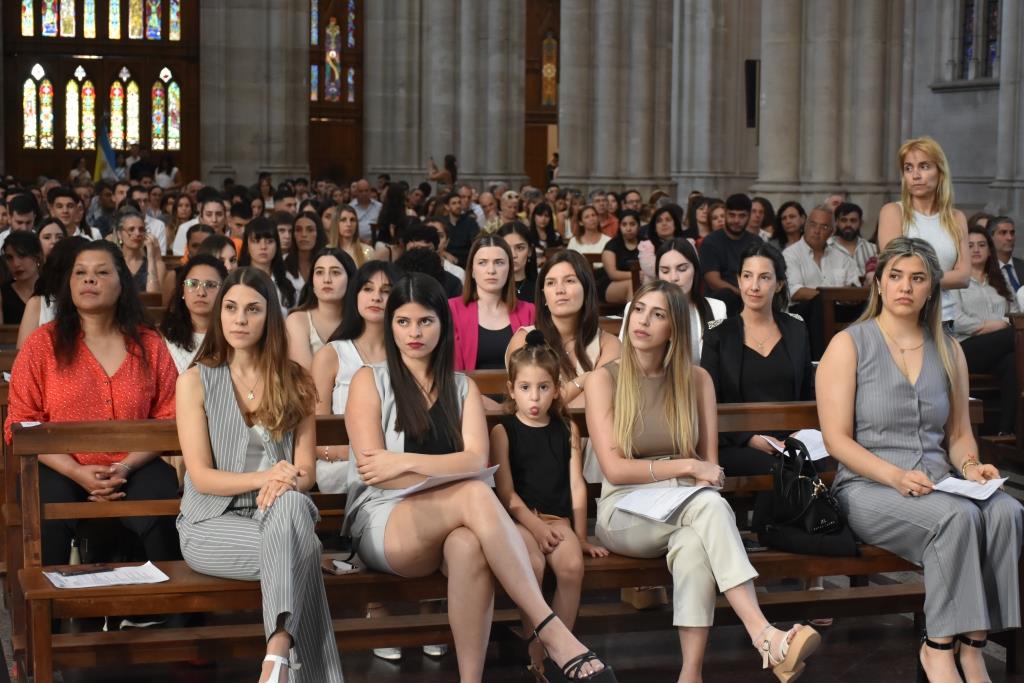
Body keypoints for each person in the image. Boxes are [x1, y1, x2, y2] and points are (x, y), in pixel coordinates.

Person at [343, 272, 617, 682]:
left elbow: (476, 459)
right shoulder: (370, 380)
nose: (414, 332)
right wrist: (444, 469)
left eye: (425, 321)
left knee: (470, 545)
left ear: (443, 324)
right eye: (403, 321)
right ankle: (552, 631)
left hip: (452, 525)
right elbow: (378, 475)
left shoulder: (461, 388)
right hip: (387, 522)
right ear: (390, 325)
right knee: (472, 493)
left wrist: (404, 462)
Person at [585, 280, 820, 683]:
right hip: (623, 509)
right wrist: (685, 468)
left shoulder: (696, 380)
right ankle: (763, 635)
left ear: (674, 328)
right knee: (709, 507)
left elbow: (710, 466)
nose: (643, 320)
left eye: (657, 314)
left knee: (694, 543)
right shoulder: (603, 380)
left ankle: (690, 674)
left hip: (686, 503)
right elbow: (615, 469)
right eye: (639, 309)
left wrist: (695, 474)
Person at [817, 237, 1023, 683]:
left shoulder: (949, 349)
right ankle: (938, 648)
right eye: (895, 276)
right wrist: (893, 476)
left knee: (1007, 511)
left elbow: (959, 434)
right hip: (867, 486)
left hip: (938, 482)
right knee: (957, 519)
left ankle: (973, 646)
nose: (904, 287)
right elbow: (836, 439)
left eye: (917, 278)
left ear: (932, 289)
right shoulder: (848, 344)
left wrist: (971, 467)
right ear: (879, 283)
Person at [175, 267, 344, 683]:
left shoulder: (296, 380)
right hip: (211, 524)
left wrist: (284, 482)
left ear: (269, 317)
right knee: (300, 549)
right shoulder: (196, 381)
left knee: (289, 508)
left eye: (252, 309)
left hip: (280, 517)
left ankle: (277, 656)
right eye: (230, 308)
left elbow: (305, 472)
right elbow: (201, 477)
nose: (239, 319)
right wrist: (267, 477)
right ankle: (287, 662)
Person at [5, 241, 181, 571]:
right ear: (68, 284)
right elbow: (21, 421)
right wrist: (75, 470)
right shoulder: (43, 344)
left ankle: (169, 612)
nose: (90, 280)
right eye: (81, 273)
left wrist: (125, 467)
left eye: (101, 273)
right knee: (46, 513)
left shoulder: (149, 344)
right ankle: (50, 615)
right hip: (60, 465)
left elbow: (170, 415)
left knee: (162, 505)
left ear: (122, 283)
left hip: (134, 464)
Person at [491, 330, 609, 679]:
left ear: (556, 388)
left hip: (558, 520)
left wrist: (581, 535)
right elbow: (507, 495)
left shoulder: (565, 429)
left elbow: (576, 484)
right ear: (511, 389)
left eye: (543, 387)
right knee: (533, 564)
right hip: (521, 522)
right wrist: (536, 526)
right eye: (525, 388)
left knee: (572, 566)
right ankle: (533, 645)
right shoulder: (504, 431)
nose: (534, 397)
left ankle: (552, 650)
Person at [701, 242, 814, 475]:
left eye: (764, 277)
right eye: (747, 276)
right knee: (782, 471)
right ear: (739, 281)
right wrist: (749, 438)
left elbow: (807, 392)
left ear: (779, 284)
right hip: (737, 442)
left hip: (792, 440)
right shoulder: (719, 332)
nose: (754, 286)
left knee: (806, 465)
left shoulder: (796, 329)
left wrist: (800, 434)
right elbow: (709, 401)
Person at [507, 250, 621, 408]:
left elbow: (601, 400)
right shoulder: (524, 339)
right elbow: (530, 404)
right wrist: (583, 380)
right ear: (544, 295)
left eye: (569, 281)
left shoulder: (609, 344)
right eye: (551, 283)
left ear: (586, 289)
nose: (559, 290)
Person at [878, 136, 970, 330]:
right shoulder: (893, 212)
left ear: (940, 172)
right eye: (908, 168)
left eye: (924, 166)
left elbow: (963, 277)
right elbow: (894, 268)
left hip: (944, 318)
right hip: (902, 318)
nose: (915, 175)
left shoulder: (957, 218)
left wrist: (918, 276)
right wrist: (939, 277)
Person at [951, 226, 1019, 435]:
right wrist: (994, 325)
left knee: (1013, 364)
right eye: (969, 245)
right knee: (1013, 337)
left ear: (990, 250)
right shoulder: (955, 280)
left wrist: (1003, 326)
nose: (976, 250)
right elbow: (956, 321)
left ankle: (1005, 433)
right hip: (964, 348)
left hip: (999, 347)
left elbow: (1015, 313)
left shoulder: (1000, 280)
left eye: (981, 245)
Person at [624, 238, 726, 360]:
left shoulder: (717, 308)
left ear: (695, 270)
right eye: (665, 271)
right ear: (658, 275)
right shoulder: (636, 308)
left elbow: (722, 358)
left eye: (682, 269)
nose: (673, 278)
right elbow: (624, 355)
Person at [449, 235, 535, 371]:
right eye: (482, 262)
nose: (491, 271)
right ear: (471, 270)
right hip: (466, 391)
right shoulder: (452, 309)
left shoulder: (529, 311)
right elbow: (452, 370)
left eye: (499, 262)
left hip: (518, 391)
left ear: (509, 269)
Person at [285, 248, 356, 369]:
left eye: (335, 272)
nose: (326, 280)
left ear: (350, 280)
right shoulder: (297, 320)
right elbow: (305, 378)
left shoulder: (360, 321)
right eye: (319, 272)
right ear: (312, 282)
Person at [160, 254, 228, 373]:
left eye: (211, 285)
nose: (201, 292)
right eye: (193, 284)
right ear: (182, 291)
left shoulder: (232, 337)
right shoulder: (164, 338)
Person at [17, 237, 88, 348]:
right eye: (80, 271)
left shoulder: (95, 300)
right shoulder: (38, 304)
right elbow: (23, 354)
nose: (88, 277)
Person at [698, 194, 763, 315]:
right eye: (732, 215)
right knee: (727, 295)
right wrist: (742, 293)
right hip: (720, 302)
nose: (736, 220)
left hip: (752, 297)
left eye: (742, 216)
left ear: (749, 216)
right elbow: (713, 281)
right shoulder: (711, 242)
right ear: (726, 213)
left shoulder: (756, 242)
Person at [239, 217, 297, 310]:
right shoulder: (237, 279)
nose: (263, 247)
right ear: (246, 246)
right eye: (256, 241)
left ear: (277, 245)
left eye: (269, 241)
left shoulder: (288, 281)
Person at [113, 206, 165, 294]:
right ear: (119, 234)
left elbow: (153, 296)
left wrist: (150, 256)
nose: (137, 234)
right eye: (131, 229)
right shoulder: (113, 262)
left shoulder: (156, 264)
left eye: (141, 230)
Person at [598, 209, 640, 305]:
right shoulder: (612, 245)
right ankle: (631, 318)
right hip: (610, 284)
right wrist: (637, 275)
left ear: (638, 225)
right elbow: (613, 274)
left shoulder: (645, 242)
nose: (628, 228)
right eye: (624, 225)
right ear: (619, 226)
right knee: (632, 284)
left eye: (632, 224)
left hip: (639, 282)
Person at [0, 231, 43, 325]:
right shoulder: (3, 293)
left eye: (22, 255)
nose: (16, 264)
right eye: (9, 257)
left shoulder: (54, 289)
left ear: (37, 256)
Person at [638, 204, 687, 283]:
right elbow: (653, 271)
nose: (664, 223)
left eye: (668, 220)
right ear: (655, 228)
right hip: (655, 289)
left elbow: (691, 267)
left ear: (675, 224)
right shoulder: (647, 246)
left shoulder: (687, 243)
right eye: (659, 221)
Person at [830, 202, 878, 279]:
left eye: (853, 220)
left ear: (860, 223)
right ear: (836, 222)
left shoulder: (873, 250)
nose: (848, 224)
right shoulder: (826, 248)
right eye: (844, 220)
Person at [284, 211, 327, 292]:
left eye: (310, 230)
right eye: (298, 230)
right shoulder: (282, 262)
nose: (304, 234)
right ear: (293, 234)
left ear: (318, 233)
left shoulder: (328, 262)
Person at [497, 222, 538, 304]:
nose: (513, 255)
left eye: (519, 248)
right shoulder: (491, 289)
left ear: (530, 251)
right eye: (507, 248)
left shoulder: (541, 290)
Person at [987, 216, 1024, 295]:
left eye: (1012, 233)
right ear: (990, 237)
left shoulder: (1022, 265)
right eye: (1003, 233)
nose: (1009, 238)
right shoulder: (985, 269)